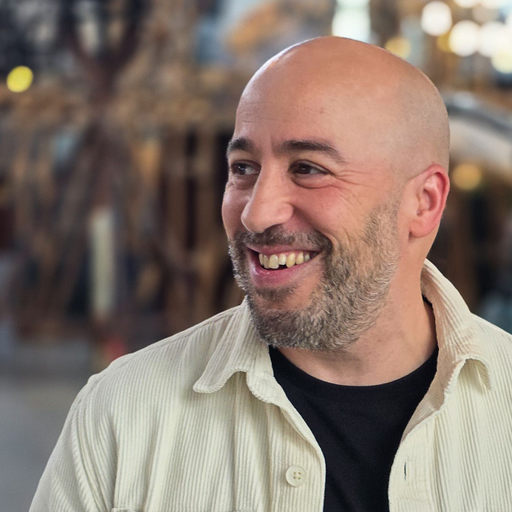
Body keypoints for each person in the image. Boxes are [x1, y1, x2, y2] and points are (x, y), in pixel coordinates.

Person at [31, 36, 512, 512]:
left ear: (423, 203)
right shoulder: (120, 414)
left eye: (308, 169)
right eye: (243, 168)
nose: (256, 213)